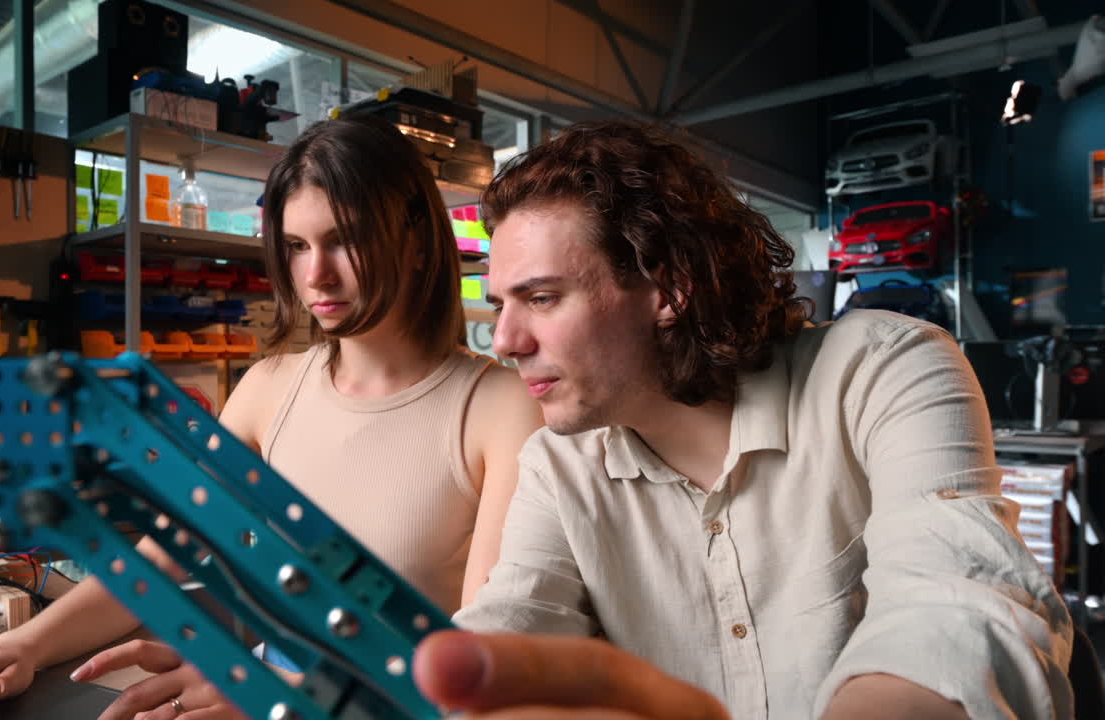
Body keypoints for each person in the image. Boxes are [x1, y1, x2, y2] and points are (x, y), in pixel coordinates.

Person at [417, 120, 1073, 719]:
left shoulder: (881, 370)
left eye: (540, 298)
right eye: (499, 305)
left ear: (670, 288)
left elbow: (956, 603)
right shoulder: (557, 466)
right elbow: (516, 616)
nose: (505, 341)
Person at [0, 114, 543, 719]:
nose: (315, 275)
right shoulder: (269, 388)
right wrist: (23, 645)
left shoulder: (500, 408)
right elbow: (163, 554)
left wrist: (279, 694)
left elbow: (478, 666)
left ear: (420, 242)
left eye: (345, 240)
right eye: (297, 246)